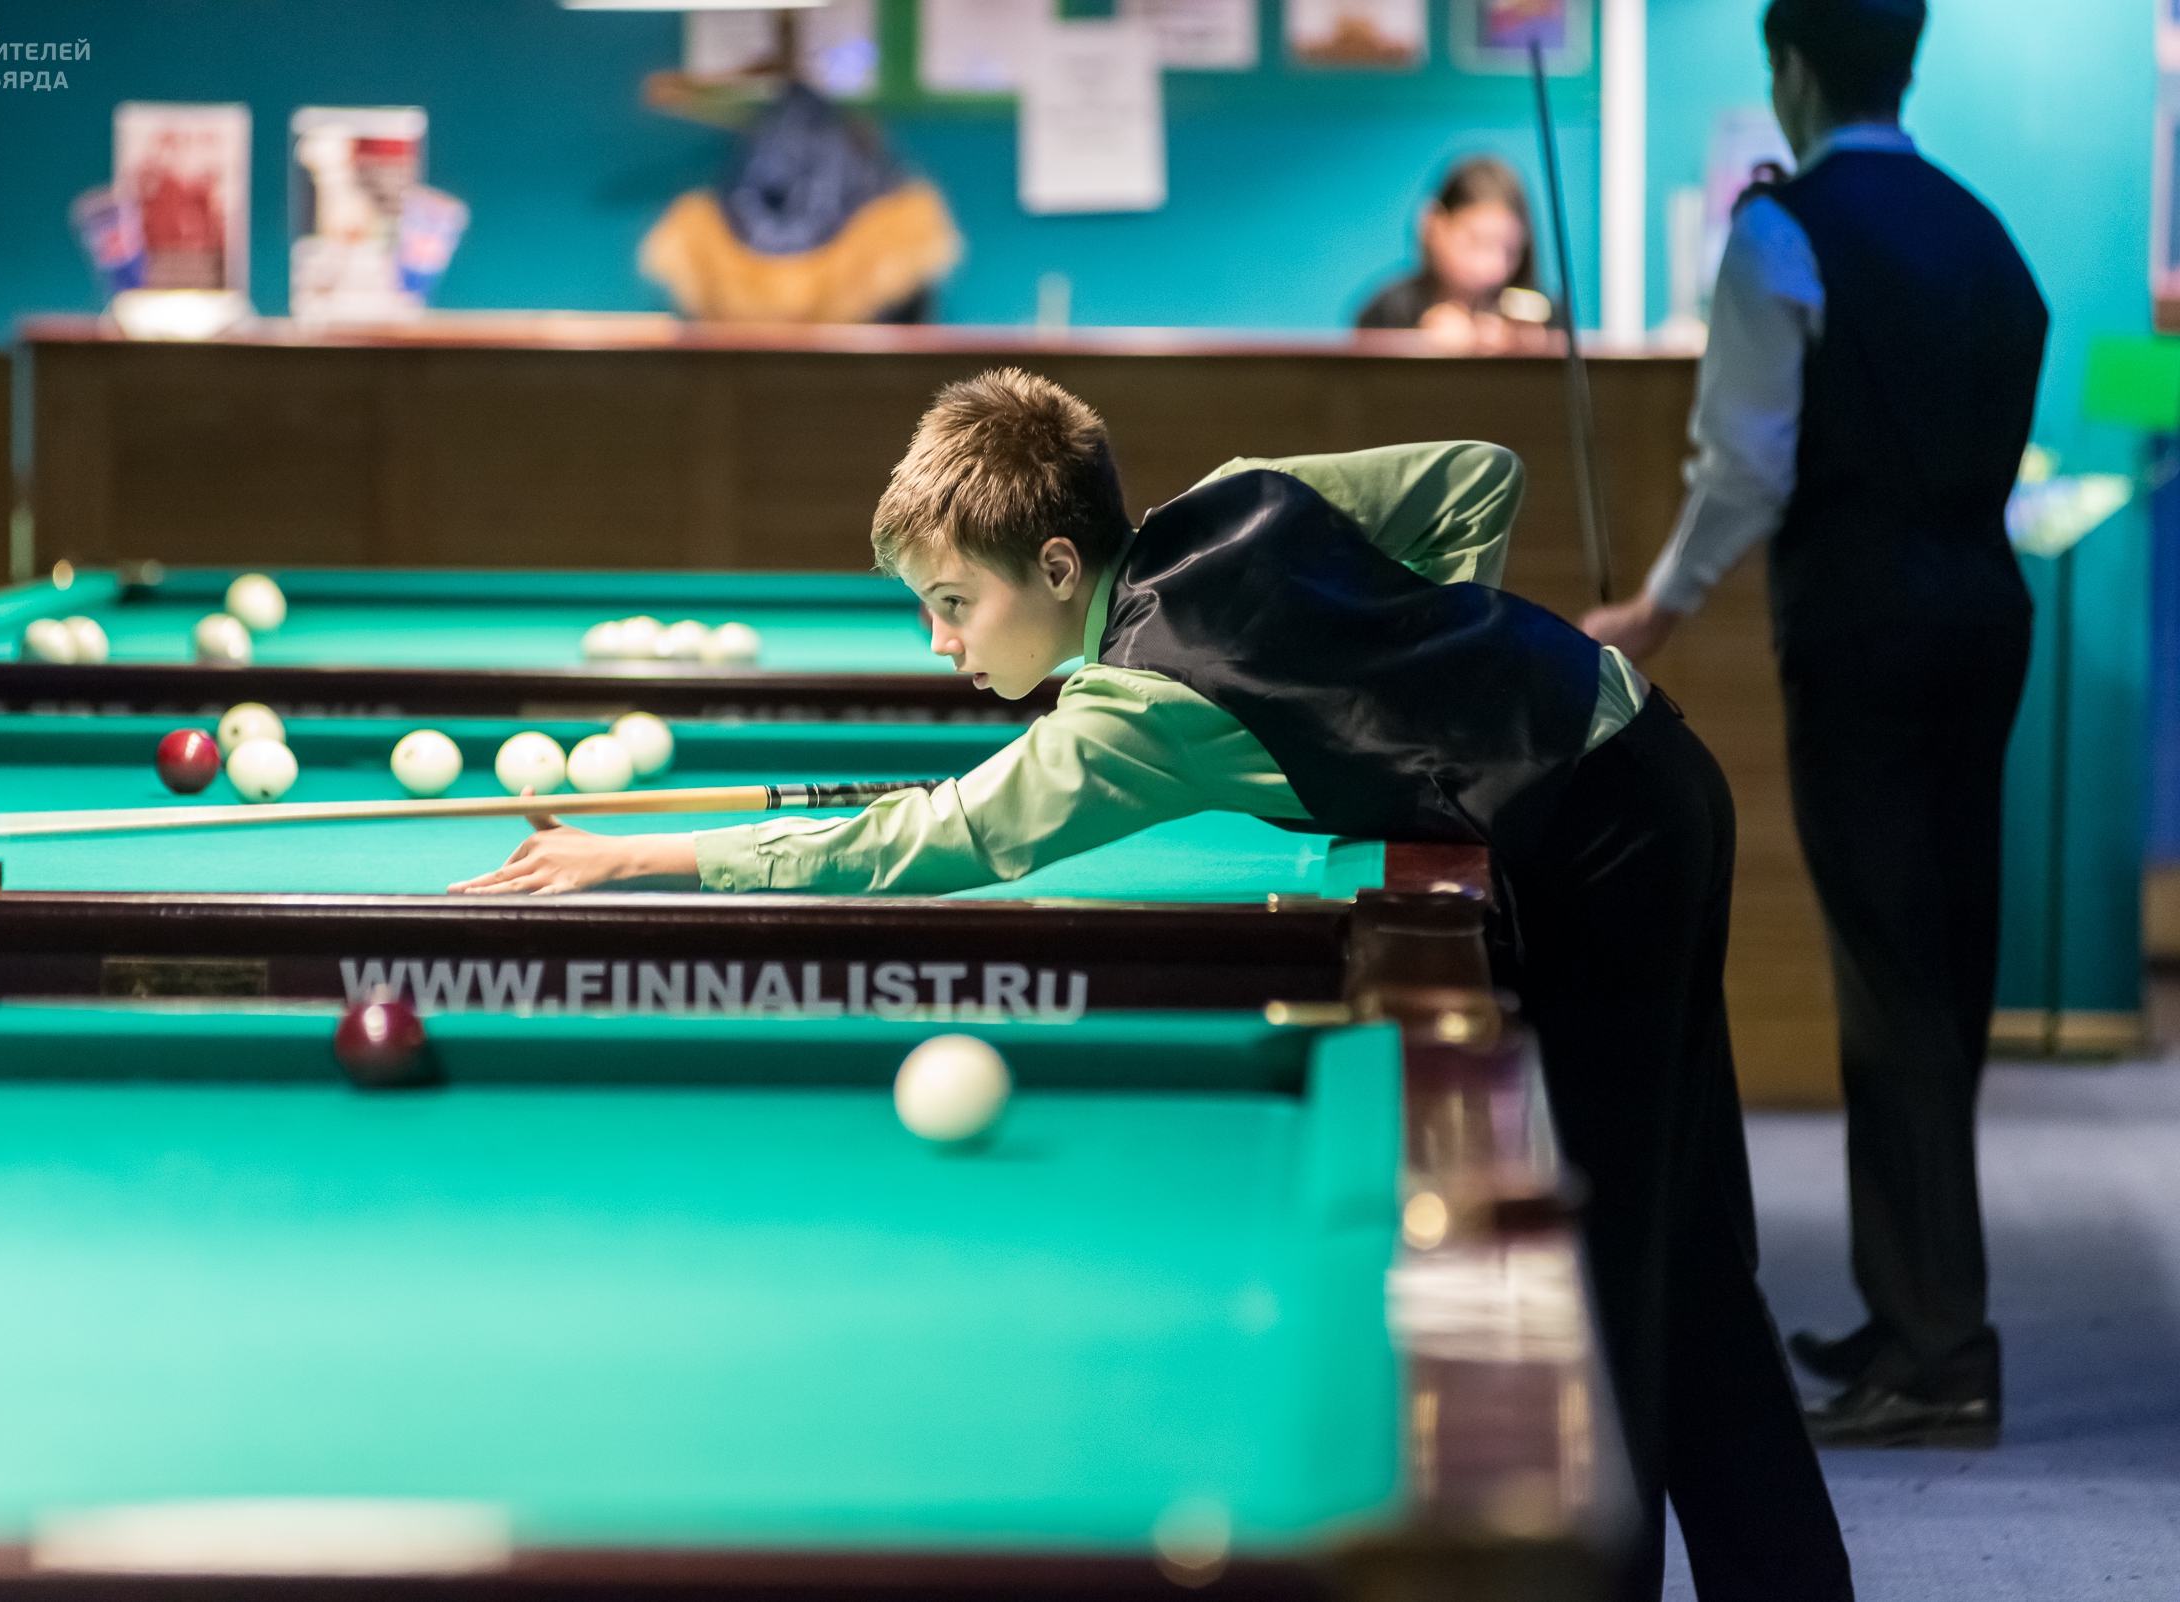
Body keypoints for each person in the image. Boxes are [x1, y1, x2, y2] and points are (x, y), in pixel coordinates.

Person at [456, 369, 1853, 1601]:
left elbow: (930, 842)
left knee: (1605, 1275)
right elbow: (1474, 477)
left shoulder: (1133, 709)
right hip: (1654, 768)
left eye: (954, 603)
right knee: (1678, 1246)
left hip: (1599, 846)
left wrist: (642, 851)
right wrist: (1435, 674)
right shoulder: (1233, 497)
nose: (940, 643)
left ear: (1059, 562)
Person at [1581, 0, 2044, 1450]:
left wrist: (1654, 611)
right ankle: (1911, 1310)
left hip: (1862, 633)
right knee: (1941, 967)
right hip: (1986, 616)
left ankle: (1940, 1348)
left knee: (1890, 977)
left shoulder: (1781, 232)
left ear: (1790, 71)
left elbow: (1745, 467)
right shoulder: (1985, 231)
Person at [1355, 156, 1555, 352]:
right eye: (1477, 242)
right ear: (1434, 224)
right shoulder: (1388, 310)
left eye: (1510, 250)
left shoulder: (1546, 321)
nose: (1494, 266)